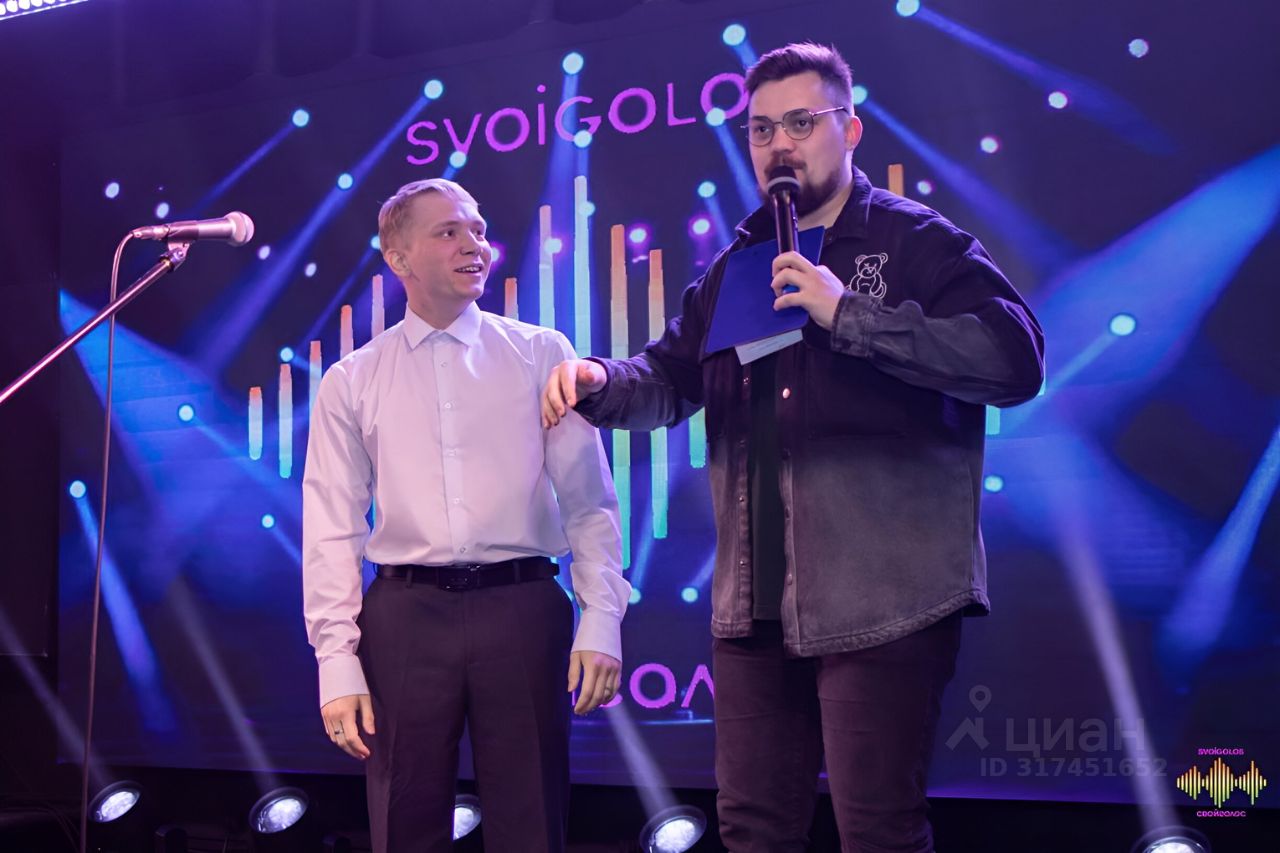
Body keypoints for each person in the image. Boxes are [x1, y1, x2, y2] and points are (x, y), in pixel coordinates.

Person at [542, 43, 1044, 852]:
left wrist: (849, 314)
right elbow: (668, 379)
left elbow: (1014, 360)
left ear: (851, 129)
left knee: (877, 830)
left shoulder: (917, 241)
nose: (780, 144)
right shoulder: (738, 267)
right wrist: (598, 377)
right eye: (762, 129)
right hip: (755, 609)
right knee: (752, 828)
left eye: (802, 123)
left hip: (884, 601)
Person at [302, 178, 630, 853]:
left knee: (532, 821)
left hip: (523, 603)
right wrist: (335, 658)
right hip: (404, 615)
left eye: (477, 230)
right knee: (404, 821)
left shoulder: (543, 353)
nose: (473, 245)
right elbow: (332, 526)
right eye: (449, 232)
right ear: (398, 257)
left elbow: (589, 500)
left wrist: (602, 617)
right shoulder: (352, 379)